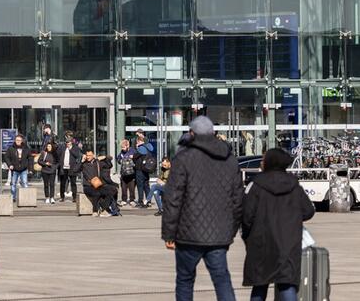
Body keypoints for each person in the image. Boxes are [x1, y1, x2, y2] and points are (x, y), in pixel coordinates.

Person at [162, 116, 243, 301]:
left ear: (192, 133)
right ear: (213, 133)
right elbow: (238, 199)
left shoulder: (183, 158)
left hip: (187, 234)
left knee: (185, 280)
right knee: (222, 280)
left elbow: (173, 198)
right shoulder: (229, 159)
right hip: (218, 234)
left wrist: (169, 233)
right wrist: (230, 230)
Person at [242, 149, 315, 301]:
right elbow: (308, 210)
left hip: (261, 243)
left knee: (259, 285)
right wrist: (292, 219)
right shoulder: (294, 185)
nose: (261, 162)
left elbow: (246, 216)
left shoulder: (256, 185)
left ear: (270, 162)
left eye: (263, 159)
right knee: (286, 284)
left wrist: (247, 236)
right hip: (288, 243)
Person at [81, 151, 119, 217]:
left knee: (113, 190)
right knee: (97, 193)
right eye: (87, 155)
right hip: (88, 186)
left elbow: (109, 165)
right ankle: (95, 211)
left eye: (90, 155)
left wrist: (105, 157)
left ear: (93, 155)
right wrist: (81, 161)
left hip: (97, 185)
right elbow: (75, 170)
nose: (88, 157)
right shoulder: (84, 164)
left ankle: (103, 206)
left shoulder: (97, 162)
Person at [3, 134, 32, 201]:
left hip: (23, 169)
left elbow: (30, 158)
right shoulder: (11, 148)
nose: (18, 141)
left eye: (19, 140)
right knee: (13, 184)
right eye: (17, 140)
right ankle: (13, 197)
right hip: (14, 169)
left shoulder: (26, 148)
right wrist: (10, 165)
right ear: (15, 140)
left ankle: (26, 197)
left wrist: (30, 169)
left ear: (22, 141)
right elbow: (6, 157)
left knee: (24, 183)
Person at [56, 133, 82, 202]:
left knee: (73, 183)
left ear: (71, 142)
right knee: (62, 183)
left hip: (72, 168)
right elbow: (58, 154)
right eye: (67, 142)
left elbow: (77, 155)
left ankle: (74, 197)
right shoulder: (62, 147)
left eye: (69, 142)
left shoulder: (75, 148)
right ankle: (62, 197)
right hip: (63, 167)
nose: (68, 143)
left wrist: (70, 149)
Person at [133, 133, 155, 208]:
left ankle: (140, 201)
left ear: (139, 141)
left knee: (140, 186)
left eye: (137, 141)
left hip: (140, 169)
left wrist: (137, 148)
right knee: (146, 185)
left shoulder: (141, 148)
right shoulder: (149, 147)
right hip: (147, 169)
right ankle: (148, 201)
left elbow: (135, 157)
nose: (136, 143)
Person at [117, 139, 137, 206]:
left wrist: (133, 157)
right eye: (122, 147)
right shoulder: (122, 152)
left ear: (127, 146)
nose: (122, 149)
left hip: (132, 173)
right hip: (124, 173)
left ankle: (132, 200)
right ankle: (124, 200)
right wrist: (120, 161)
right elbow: (118, 159)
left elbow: (136, 159)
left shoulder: (133, 151)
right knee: (123, 187)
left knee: (132, 187)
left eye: (123, 147)